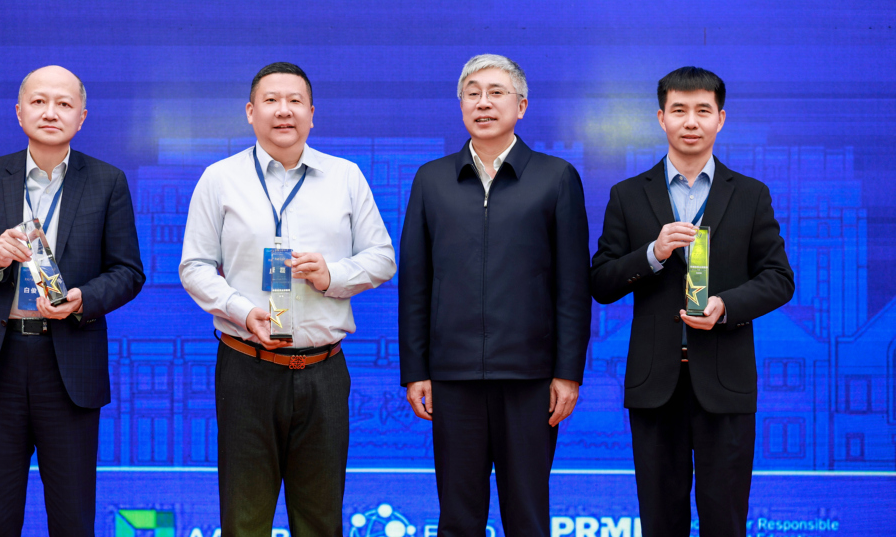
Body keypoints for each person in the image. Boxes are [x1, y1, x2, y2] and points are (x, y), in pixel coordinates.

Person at [179, 62, 396, 536]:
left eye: (295, 101)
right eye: (272, 101)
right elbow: (194, 267)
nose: (284, 111)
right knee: (244, 520)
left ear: (312, 114)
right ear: (250, 112)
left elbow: (383, 258)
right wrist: (241, 311)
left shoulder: (345, 177)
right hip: (246, 369)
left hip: (323, 373)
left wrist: (333, 275)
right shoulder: (219, 179)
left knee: (320, 521)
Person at [0, 65, 145, 536]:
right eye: (38, 101)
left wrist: (82, 299)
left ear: (82, 117)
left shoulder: (107, 181)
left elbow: (129, 272)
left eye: (64, 104)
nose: (51, 112)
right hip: (0, 363)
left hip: (69, 362)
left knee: (72, 519)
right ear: (19, 111)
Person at [590, 66, 795, 537]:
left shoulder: (750, 195)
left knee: (725, 520)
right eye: (678, 110)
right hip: (655, 383)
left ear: (720, 119)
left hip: (725, 381)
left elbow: (779, 279)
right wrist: (653, 253)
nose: (690, 121)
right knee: (661, 520)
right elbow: (601, 282)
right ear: (660, 117)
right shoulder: (628, 195)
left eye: (703, 110)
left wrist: (726, 306)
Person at [398, 54, 592, 536]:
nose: (483, 103)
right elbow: (416, 283)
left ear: (521, 106)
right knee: (458, 519)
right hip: (453, 376)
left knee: (527, 517)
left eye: (496, 92)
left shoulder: (555, 177)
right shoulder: (432, 180)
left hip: (530, 378)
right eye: (473, 94)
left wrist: (568, 373)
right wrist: (416, 371)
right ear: (461, 105)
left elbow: (573, 286)